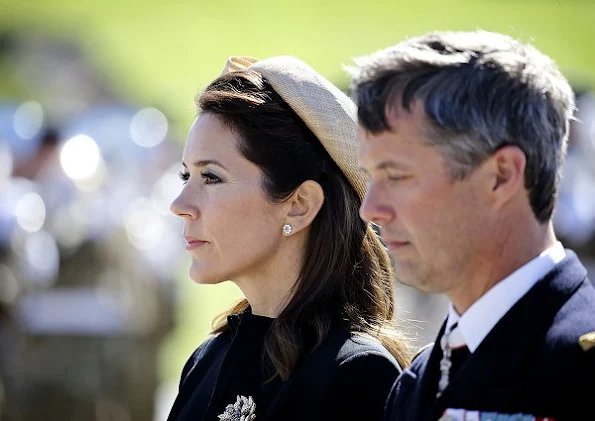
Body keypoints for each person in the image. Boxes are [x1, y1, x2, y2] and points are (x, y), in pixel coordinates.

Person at [350, 30, 595, 421]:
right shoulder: (417, 381)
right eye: (370, 177)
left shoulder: (581, 371)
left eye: (396, 176)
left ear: (500, 176)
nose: (371, 209)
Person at [168, 55, 410, 421]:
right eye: (186, 177)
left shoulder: (357, 375)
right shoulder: (206, 361)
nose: (180, 205)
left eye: (211, 178)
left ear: (299, 205)